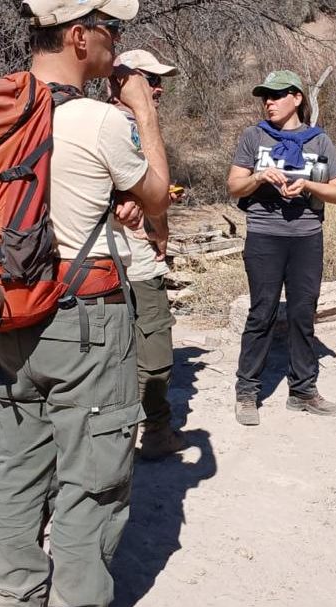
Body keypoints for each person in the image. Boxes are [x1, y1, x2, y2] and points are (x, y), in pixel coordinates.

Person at [0, 1, 170, 607]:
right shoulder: (97, 119)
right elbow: (156, 196)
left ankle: (17, 603)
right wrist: (143, 110)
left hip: (12, 310)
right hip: (86, 315)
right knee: (94, 471)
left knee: (20, 464)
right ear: (78, 36)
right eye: (110, 31)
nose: (116, 43)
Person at [227, 70, 336, 426]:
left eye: (277, 95)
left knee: (302, 313)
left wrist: (308, 185)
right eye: (265, 96)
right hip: (264, 236)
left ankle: (303, 391)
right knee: (262, 313)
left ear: (297, 98)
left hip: (307, 237)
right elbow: (234, 186)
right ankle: (247, 392)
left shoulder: (319, 140)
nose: (269, 102)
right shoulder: (253, 136)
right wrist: (258, 176)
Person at [108, 49, 187, 461]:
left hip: (123, 257)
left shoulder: (118, 122)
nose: (158, 89)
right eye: (150, 79)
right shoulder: (122, 126)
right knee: (153, 345)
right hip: (131, 259)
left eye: (158, 81)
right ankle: (152, 430)